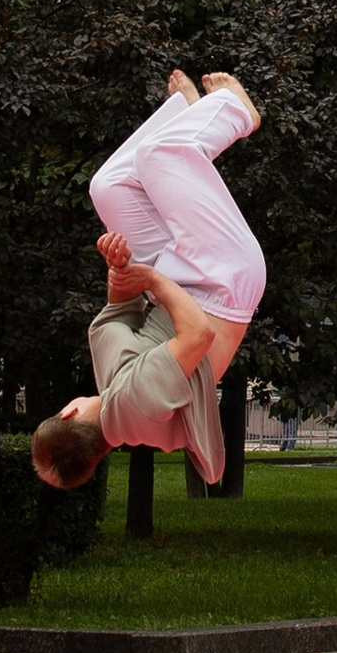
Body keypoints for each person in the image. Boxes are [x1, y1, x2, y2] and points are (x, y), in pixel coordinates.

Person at [31, 68, 266, 494]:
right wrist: (152, 279)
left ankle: (189, 113)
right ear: (68, 412)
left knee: (109, 186)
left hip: (184, 278)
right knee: (161, 155)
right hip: (222, 280)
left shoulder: (113, 394)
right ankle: (237, 112)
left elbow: (122, 305)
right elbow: (197, 334)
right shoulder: (136, 406)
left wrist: (120, 268)